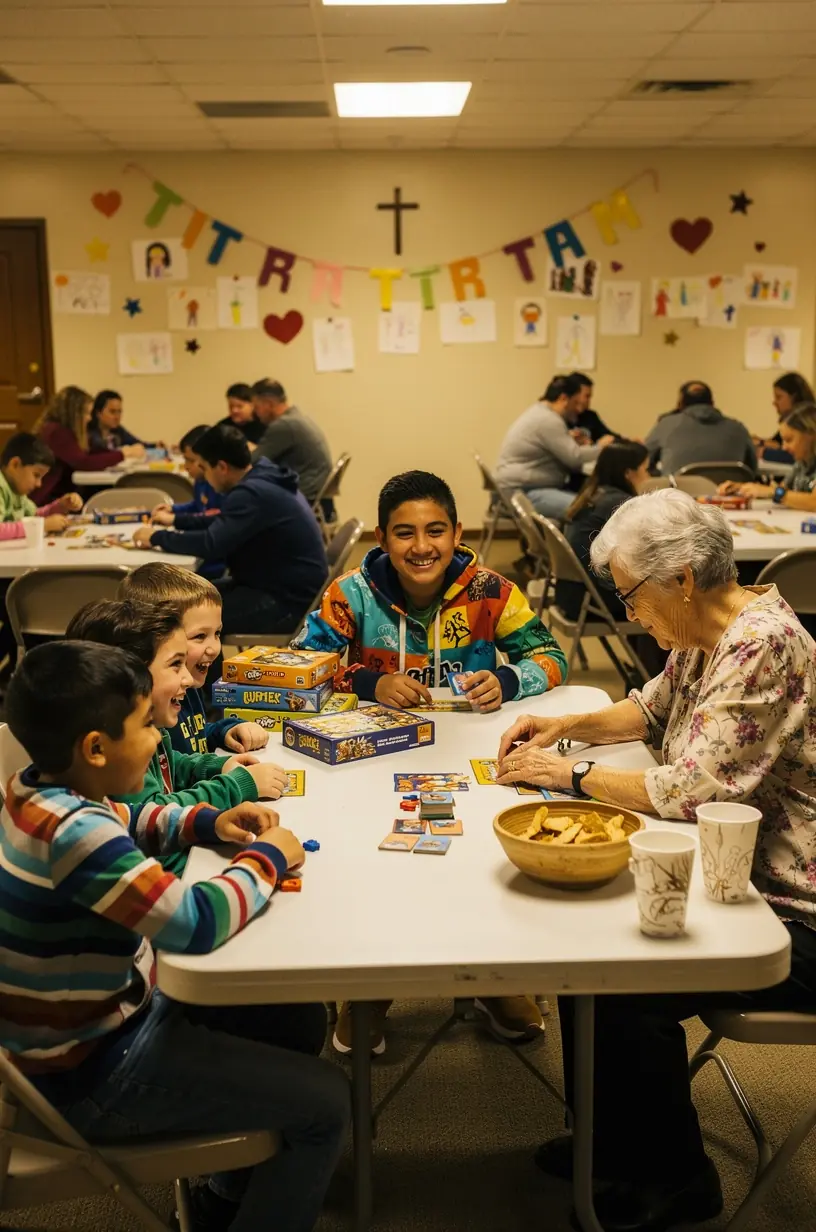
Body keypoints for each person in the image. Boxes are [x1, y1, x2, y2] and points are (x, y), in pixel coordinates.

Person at [495, 487, 816, 1232]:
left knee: (624, 973)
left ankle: (677, 1179)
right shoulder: (706, 631)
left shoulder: (760, 643)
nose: (628, 611)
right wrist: (565, 727)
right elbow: (649, 708)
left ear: (682, 579)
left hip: (790, 909)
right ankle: (611, 1142)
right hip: (730, 871)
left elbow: (693, 792)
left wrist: (567, 775)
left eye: (629, 594)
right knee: (582, 949)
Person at [0, 640, 350, 1232]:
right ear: (96, 748)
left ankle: (222, 1198)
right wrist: (266, 859)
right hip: (90, 1076)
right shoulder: (74, 834)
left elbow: (130, 819)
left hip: (92, 1032)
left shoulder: (33, 791)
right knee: (327, 1104)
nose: (159, 737)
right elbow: (194, 923)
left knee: (296, 1020)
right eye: (144, 726)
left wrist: (209, 819)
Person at [296, 470, 566, 1053]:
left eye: (436, 531)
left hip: (470, 748)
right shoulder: (350, 593)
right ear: (381, 538)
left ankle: (498, 976)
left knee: (485, 852)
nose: (422, 547)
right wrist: (367, 680)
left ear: (458, 531)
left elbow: (550, 656)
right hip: (371, 755)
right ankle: (368, 989)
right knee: (373, 851)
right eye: (405, 533)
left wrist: (506, 677)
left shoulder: (493, 589)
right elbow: (303, 666)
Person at [66, 598, 287, 820]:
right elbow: (156, 813)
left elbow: (169, 762)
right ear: (129, 675)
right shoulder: (118, 747)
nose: (188, 679)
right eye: (175, 665)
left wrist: (216, 766)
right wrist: (237, 786)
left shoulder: (144, 728)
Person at [134, 425, 327, 636]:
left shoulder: (251, 493)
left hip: (286, 603)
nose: (204, 477)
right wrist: (178, 521)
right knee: (189, 599)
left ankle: (207, 670)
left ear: (222, 467)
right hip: (280, 587)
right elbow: (226, 521)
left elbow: (211, 544)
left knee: (188, 619)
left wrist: (156, 537)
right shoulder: (262, 476)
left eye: (205, 468)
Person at [119, 563, 270, 757]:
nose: (215, 648)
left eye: (217, 633)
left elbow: (194, 736)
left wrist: (225, 731)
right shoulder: (155, 709)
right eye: (199, 636)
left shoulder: (186, 686)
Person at [0, 432, 84, 686]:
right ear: (15, 464)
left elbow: (33, 514)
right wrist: (43, 524)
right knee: (21, 609)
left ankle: (16, 671)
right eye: (36, 475)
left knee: (22, 614)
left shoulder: (15, 492)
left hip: (10, 573)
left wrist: (59, 506)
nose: (38, 484)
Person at [494, 375, 614, 520]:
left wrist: (566, 439)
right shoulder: (548, 420)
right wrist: (601, 447)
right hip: (522, 493)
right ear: (564, 399)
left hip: (517, 488)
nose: (578, 409)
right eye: (575, 403)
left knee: (584, 501)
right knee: (586, 510)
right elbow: (574, 458)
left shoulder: (539, 412)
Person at [555, 440, 650, 622]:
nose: (648, 475)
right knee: (666, 596)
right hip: (593, 599)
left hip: (571, 593)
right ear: (629, 473)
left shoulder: (594, 494)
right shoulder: (620, 504)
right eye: (645, 469)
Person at [34, 385, 144, 506]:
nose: (89, 418)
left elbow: (91, 452)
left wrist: (118, 454)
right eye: (86, 413)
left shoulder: (62, 430)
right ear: (74, 413)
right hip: (49, 498)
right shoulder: (58, 433)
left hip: (62, 494)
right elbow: (83, 462)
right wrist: (123, 454)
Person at [151, 424, 224, 579]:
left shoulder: (220, 485)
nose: (186, 466)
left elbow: (212, 520)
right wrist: (174, 509)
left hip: (212, 564)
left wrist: (174, 519)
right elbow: (198, 506)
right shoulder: (201, 480)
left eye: (191, 460)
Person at [722, 401, 816, 512]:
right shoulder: (802, 463)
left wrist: (771, 492)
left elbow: (813, 502)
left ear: (811, 434)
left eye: (789, 440)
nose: (784, 447)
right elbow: (782, 490)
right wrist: (744, 488)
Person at [645, 380, 756, 474]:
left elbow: (643, 463)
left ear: (680, 405)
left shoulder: (666, 425)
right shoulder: (738, 428)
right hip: (729, 496)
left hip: (678, 496)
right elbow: (752, 469)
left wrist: (663, 475)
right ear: (712, 403)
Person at [251, 378, 332, 504]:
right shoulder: (297, 417)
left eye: (256, 407)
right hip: (317, 495)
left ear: (269, 404)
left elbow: (253, 462)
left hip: (304, 497)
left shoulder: (284, 425)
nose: (255, 413)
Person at [755, 371, 815, 464]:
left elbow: (791, 455)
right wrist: (761, 442)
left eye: (779, 397)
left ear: (794, 397)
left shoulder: (802, 422)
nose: (774, 402)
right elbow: (776, 443)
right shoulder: (788, 423)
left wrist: (764, 452)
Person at [88, 389, 153, 453]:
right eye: (112, 412)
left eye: (119, 412)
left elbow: (136, 444)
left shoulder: (118, 430)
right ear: (98, 413)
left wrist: (155, 446)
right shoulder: (89, 434)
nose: (117, 417)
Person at [568, 372, 616, 443]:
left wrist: (628, 440)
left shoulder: (590, 416)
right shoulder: (558, 419)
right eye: (587, 396)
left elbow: (608, 436)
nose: (588, 401)